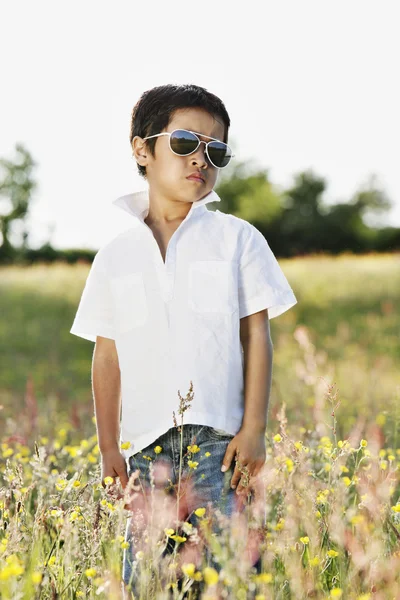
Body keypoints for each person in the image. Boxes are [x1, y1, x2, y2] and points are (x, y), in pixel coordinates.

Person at [70, 83, 297, 597]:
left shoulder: (238, 238)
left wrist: (255, 427)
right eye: (185, 143)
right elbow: (106, 357)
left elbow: (256, 335)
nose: (201, 159)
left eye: (215, 150)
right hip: (145, 451)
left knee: (232, 579)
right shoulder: (115, 256)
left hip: (223, 448)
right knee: (148, 582)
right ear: (141, 149)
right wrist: (109, 445)